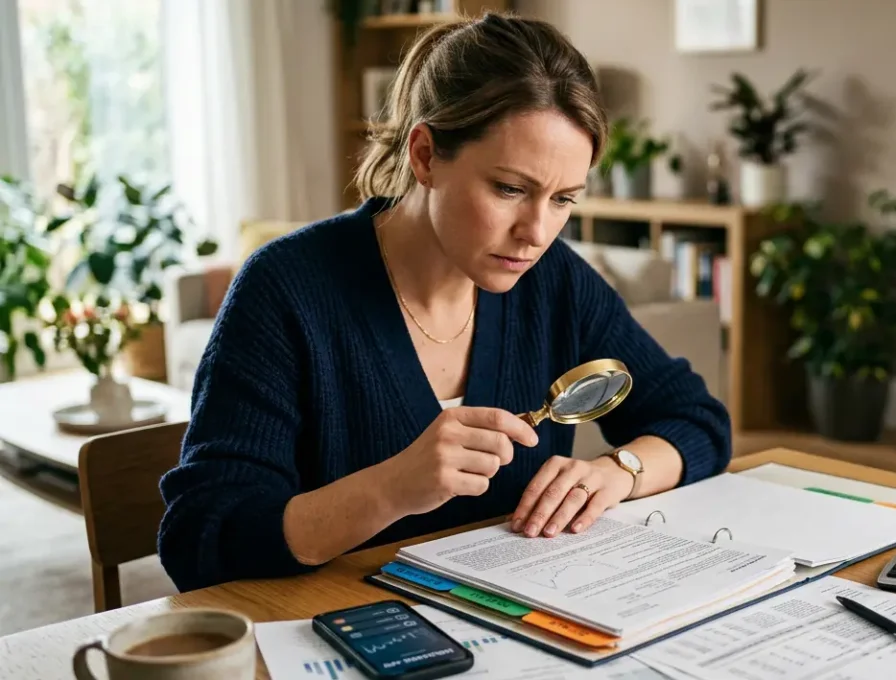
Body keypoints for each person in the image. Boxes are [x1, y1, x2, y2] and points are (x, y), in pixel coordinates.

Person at [156, 12, 731, 593]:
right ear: (425, 155)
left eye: (563, 199)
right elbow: (200, 537)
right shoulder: (287, 289)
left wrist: (617, 473)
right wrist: (389, 488)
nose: (537, 232)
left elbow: (697, 420)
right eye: (510, 189)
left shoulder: (554, 280)